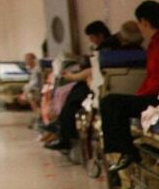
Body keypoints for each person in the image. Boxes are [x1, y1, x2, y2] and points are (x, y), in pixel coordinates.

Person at [99, 1, 159, 189]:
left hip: (157, 99)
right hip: (151, 95)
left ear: (144, 22)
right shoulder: (157, 44)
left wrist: (139, 97)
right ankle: (124, 150)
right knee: (113, 104)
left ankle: (125, 151)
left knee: (110, 102)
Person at [42, 20, 139, 151]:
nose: (90, 40)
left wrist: (74, 77)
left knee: (73, 94)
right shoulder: (139, 53)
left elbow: (94, 70)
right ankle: (61, 127)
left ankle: (64, 133)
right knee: (72, 91)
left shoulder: (109, 52)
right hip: (118, 85)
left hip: (105, 86)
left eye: (92, 37)